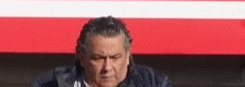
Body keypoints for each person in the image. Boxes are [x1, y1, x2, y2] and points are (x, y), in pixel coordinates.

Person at [31, 16, 171, 87]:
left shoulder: (154, 83)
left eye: (115, 57)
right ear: (81, 56)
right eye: (98, 58)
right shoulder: (51, 83)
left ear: (128, 56)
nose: (107, 67)